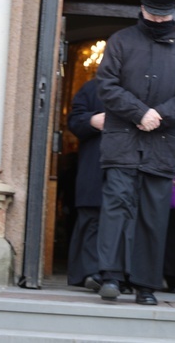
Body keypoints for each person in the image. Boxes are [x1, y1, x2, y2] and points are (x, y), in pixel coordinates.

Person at [95, 0, 175, 305]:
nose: (158, 20)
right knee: (116, 206)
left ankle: (145, 284)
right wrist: (139, 113)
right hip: (122, 142)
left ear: (172, 13)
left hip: (162, 144)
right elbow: (107, 84)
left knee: (153, 214)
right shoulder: (121, 40)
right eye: (153, 14)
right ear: (142, 9)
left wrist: (161, 114)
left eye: (164, 15)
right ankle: (111, 276)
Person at [65, 78, 105, 291]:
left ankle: (116, 275)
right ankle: (89, 272)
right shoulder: (91, 88)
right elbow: (74, 120)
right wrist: (92, 120)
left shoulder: (136, 86)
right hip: (94, 163)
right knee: (91, 218)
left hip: (127, 164)